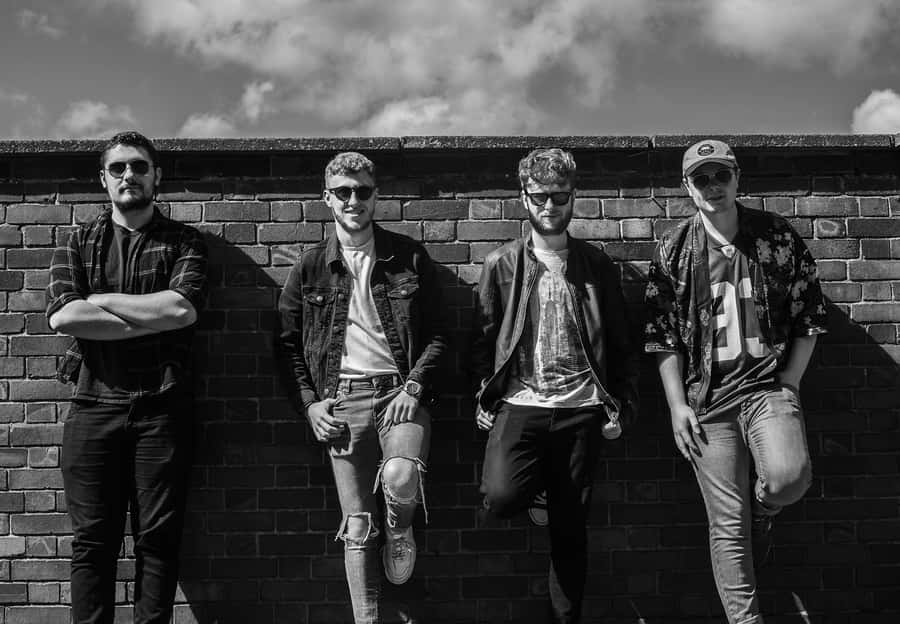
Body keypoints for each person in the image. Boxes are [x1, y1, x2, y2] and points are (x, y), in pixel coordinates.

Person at [644, 139, 827, 623]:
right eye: (701, 178)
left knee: (789, 480)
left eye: (720, 175)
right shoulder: (674, 249)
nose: (713, 186)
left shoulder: (775, 236)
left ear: (737, 177)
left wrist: (789, 382)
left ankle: (764, 511)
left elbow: (809, 313)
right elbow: (661, 337)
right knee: (727, 526)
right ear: (687, 187)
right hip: (707, 401)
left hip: (766, 389)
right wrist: (676, 405)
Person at [277, 152, 448, 623]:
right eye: (344, 192)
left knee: (400, 477)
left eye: (363, 191)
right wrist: (310, 405)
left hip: (400, 392)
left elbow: (439, 333)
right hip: (342, 398)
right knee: (356, 526)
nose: (354, 200)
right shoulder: (309, 267)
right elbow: (287, 345)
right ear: (327, 197)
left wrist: (414, 386)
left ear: (376, 195)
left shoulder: (408, 257)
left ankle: (400, 530)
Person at [471, 147, 639, 623]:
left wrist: (622, 408)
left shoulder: (595, 265)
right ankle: (540, 489)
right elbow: (482, 340)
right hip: (520, 402)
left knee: (570, 532)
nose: (550, 206)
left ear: (573, 198)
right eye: (540, 196)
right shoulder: (501, 264)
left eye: (560, 197)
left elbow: (624, 345)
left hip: (582, 407)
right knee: (500, 497)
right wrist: (483, 392)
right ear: (523, 197)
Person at [46, 131, 208, 624]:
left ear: (156, 175)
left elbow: (181, 309)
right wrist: (145, 317)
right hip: (93, 408)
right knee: (92, 542)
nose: (128, 176)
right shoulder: (80, 239)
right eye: (117, 168)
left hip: (162, 410)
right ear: (103, 179)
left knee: (157, 541)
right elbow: (61, 318)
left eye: (138, 167)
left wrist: (100, 300)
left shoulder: (183, 241)